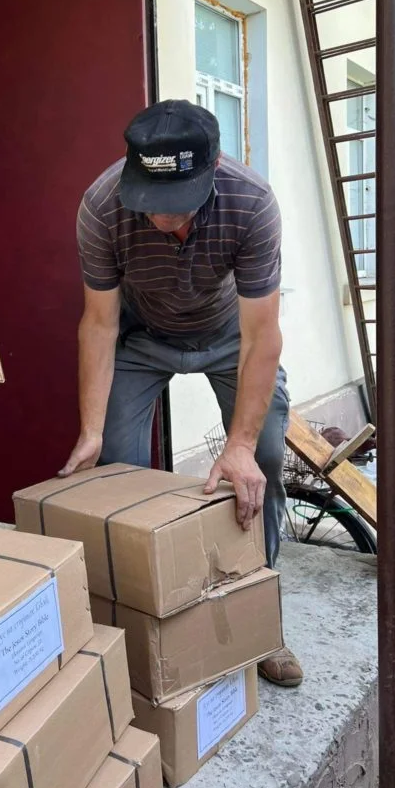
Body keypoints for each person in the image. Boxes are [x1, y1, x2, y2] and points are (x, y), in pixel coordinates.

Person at [61, 99, 302, 688]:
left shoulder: (251, 202)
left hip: (227, 336)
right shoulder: (100, 207)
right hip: (144, 337)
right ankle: (138, 622)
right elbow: (98, 323)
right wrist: (91, 430)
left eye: (177, 207)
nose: (163, 221)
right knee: (116, 466)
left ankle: (256, 619)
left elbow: (261, 333)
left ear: (212, 168)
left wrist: (239, 444)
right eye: (152, 206)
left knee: (264, 456)